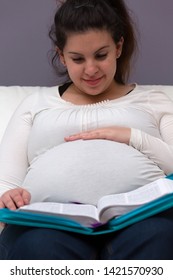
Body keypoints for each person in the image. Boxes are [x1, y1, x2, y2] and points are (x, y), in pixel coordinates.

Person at [0, 0, 173, 260]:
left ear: (118, 47)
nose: (91, 69)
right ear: (61, 55)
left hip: (143, 222)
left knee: (161, 236)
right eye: (78, 59)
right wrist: (9, 196)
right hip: (49, 226)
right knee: (37, 246)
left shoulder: (154, 100)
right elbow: (6, 183)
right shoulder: (35, 103)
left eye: (101, 55)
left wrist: (131, 136)